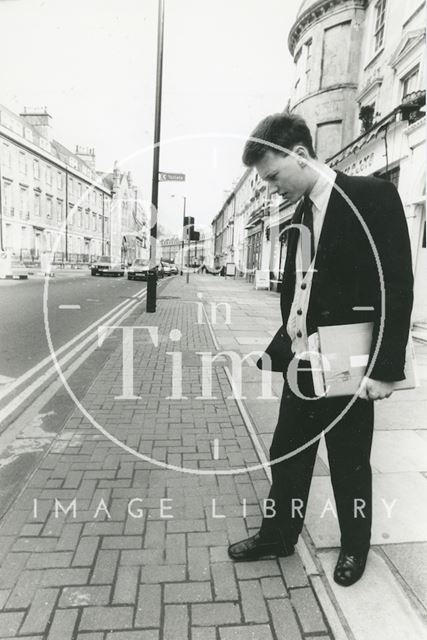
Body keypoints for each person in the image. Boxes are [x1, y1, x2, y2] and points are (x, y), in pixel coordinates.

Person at [227, 112, 413, 587]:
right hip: (305, 362)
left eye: (272, 176)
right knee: (287, 450)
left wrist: (386, 366)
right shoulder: (302, 210)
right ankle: (278, 535)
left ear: (302, 155)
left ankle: (355, 548)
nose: (271, 188)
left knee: (349, 458)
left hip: (350, 361)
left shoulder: (372, 196)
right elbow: (301, 288)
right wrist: (283, 347)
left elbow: (397, 283)